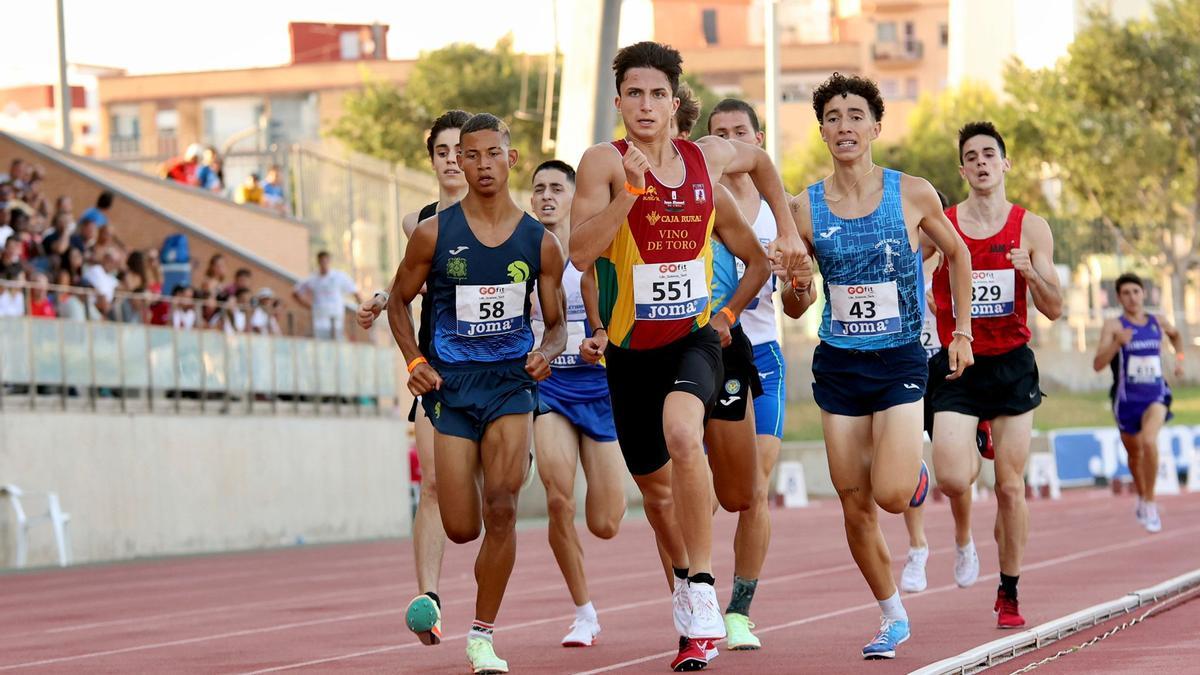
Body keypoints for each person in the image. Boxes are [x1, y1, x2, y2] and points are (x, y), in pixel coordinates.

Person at [570, 41, 804, 672]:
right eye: (634, 94)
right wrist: (628, 198)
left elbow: (758, 160)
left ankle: (703, 586)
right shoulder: (601, 162)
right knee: (655, 495)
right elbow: (580, 253)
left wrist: (782, 230)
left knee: (683, 434)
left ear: (675, 103)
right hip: (628, 352)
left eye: (657, 94)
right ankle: (683, 582)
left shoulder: (706, 160)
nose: (646, 106)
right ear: (618, 102)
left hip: (694, 338)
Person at [779, 73, 974, 659]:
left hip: (899, 358)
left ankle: (912, 474)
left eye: (855, 116)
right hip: (838, 361)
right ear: (822, 131)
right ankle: (892, 615)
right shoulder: (802, 207)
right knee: (853, 500)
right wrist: (796, 282)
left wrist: (959, 329)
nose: (845, 126)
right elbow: (797, 303)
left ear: (875, 127)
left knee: (891, 495)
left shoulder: (911, 192)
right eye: (834, 117)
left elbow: (958, 254)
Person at [386, 112, 568, 675]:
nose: (484, 164)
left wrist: (548, 350)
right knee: (463, 526)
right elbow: (397, 303)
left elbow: (556, 321)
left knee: (504, 508)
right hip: (451, 388)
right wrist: (415, 360)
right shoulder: (434, 234)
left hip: (511, 384)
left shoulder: (539, 241)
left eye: (495, 154)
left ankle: (483, 636)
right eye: (473, 155)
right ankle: (485, 507)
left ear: (511, 159)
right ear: (458, 162)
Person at [925, 121, 1063, 630]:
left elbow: (1055, 309)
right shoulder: (941, 224)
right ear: (962, 170)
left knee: (1010, 486)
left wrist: (1030, 272)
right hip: (958, 362)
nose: (981, 162)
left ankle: (1009, 590)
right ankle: (975, 443)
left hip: (1010, 366)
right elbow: (902, 270)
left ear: (1005, 164)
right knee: (953, 477)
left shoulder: (1032, 227)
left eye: (990, 154)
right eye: (972, 156)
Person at [356, 109, 471, 648]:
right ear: (432, 161)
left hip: (497, 375)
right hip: (439, 372)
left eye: (460, 150)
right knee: (431, 485)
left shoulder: (509, 222)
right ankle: (430, 598)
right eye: (442, 152)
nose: (452, 160)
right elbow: (408, 282)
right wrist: (382, 299)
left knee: (493, 495)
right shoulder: (420, 223)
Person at [705, 98, 797, 650]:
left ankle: (739, 609)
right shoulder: (695, 203)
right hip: (698, 356)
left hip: (759, 356)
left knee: (754, 490)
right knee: (697, 486)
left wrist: (801, 281)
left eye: (741, 132)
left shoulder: (778, 210)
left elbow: (796, 305)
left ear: (757, 140)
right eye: (720, 134)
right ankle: (692, 591)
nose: (732, 142)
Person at [525, 159, 627, 647]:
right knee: (558, 497)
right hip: (550, 392)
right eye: (539, 189)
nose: (547, 197)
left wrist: (603, 340)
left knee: (605, 522)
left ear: (573, 197)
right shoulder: (520, 255)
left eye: (556, 189)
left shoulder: (598, 252)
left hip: (602, 393)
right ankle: (583, 611)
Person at [1093, 273, 1185, 533]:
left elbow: (1177, 336)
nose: (1132, 297)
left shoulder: (1157, 321)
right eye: (1126, 293)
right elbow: (1098, 364)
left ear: (1143, 293)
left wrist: (1179, 361)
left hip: (1156, 394)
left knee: (1148, 442)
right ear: (1119, 297)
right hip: (1125, 399)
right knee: (1135, 454)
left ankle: (1151, 502)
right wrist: (1117, 344)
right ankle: (1143, 496)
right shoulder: (1113, 326)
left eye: (1136, 291)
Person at [292, 251, 361, 340]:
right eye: (322, 261)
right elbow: (296, 292)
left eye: (326, 261)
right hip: (319, 322)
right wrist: (310, 306)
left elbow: (355, 292)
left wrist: (363, 308)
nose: (324, 264)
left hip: (336, 320)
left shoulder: (339, 276)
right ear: (318, 262)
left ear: (329, 261)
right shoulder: (313, 278)